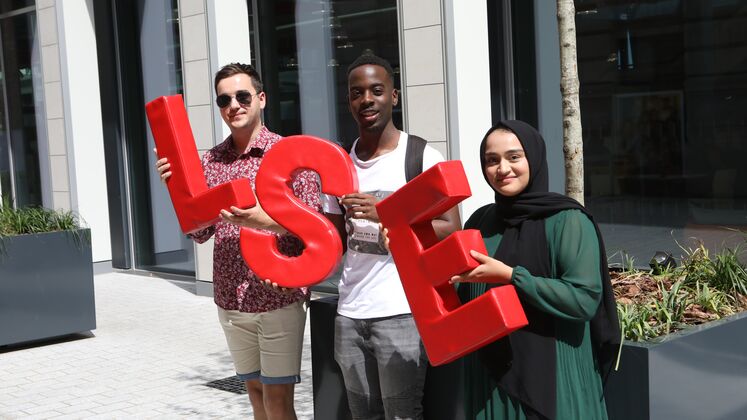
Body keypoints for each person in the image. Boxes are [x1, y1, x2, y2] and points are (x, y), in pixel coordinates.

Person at [155, 63, 319, 420]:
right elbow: (200, 232)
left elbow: (315, 228)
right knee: (256, 397)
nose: (234, 105)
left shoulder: (289, 155)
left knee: (278, 402)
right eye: (224, 99)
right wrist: (174, 187)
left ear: (261, 99)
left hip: (277, 297)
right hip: (231, 299)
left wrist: (262, 222)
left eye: (242, 96)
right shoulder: (212, 161)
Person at [449, 120, 620, 420]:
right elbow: (460, 292)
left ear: (534, 157)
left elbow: (583, 299)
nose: (502, 169)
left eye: (514, 157)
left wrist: (512, 277)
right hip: (490, 381)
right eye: (492, 160)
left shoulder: (568, 220)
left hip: (552, 378)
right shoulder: (479, 221)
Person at [322, 53, 461, 419]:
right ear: (349, 101)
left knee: (402, 414)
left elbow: (450, 227)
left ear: (394, 96)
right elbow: (330, 240)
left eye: (376, 90)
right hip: (349, 313)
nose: (366, 99)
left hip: (402, 311)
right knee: (362, 414)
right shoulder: (338, 164)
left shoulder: (421, 156)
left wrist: (387, 216)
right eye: (357, 93)